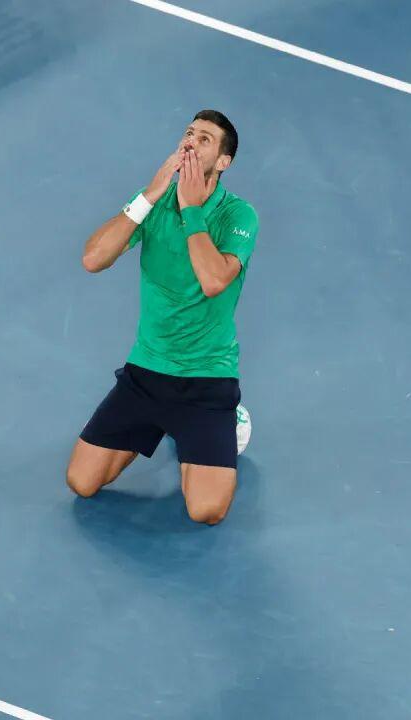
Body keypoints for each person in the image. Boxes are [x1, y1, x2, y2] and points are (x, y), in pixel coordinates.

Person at [66, 109, 258, 525]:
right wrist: (149, 196)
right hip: (147, 373)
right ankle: (161, 425)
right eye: (189, 133)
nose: (191, 142)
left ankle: (230, 420)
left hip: (207, 378)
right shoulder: (152, 203)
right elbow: (93, 259)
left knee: (205, 511)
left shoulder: (239, 215)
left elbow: (213, 280)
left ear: (224, 162)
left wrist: (191, 210)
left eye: (205, 139)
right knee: (81, 482)